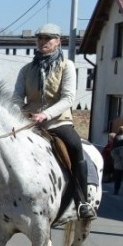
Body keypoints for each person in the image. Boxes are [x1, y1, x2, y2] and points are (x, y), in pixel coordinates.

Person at [12, 23, 95, 219]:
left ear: (58, 41)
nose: (43, 42)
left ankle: (83, 201)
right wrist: (18, 112)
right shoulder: (26, 69)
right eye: (40, 38)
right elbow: (16, 96)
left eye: (48, 38)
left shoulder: (67, 66)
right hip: (29, 122)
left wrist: (46, 115)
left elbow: (68, 98)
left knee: (75, 146)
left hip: (57, 121)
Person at [111, 126, 123, 196]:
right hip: (120, 163)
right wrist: (119, 160)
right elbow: (114, 152)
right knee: (119, 178)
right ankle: (117, 190)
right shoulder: (121, 142)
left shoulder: (118, 140)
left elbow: (113, 152)